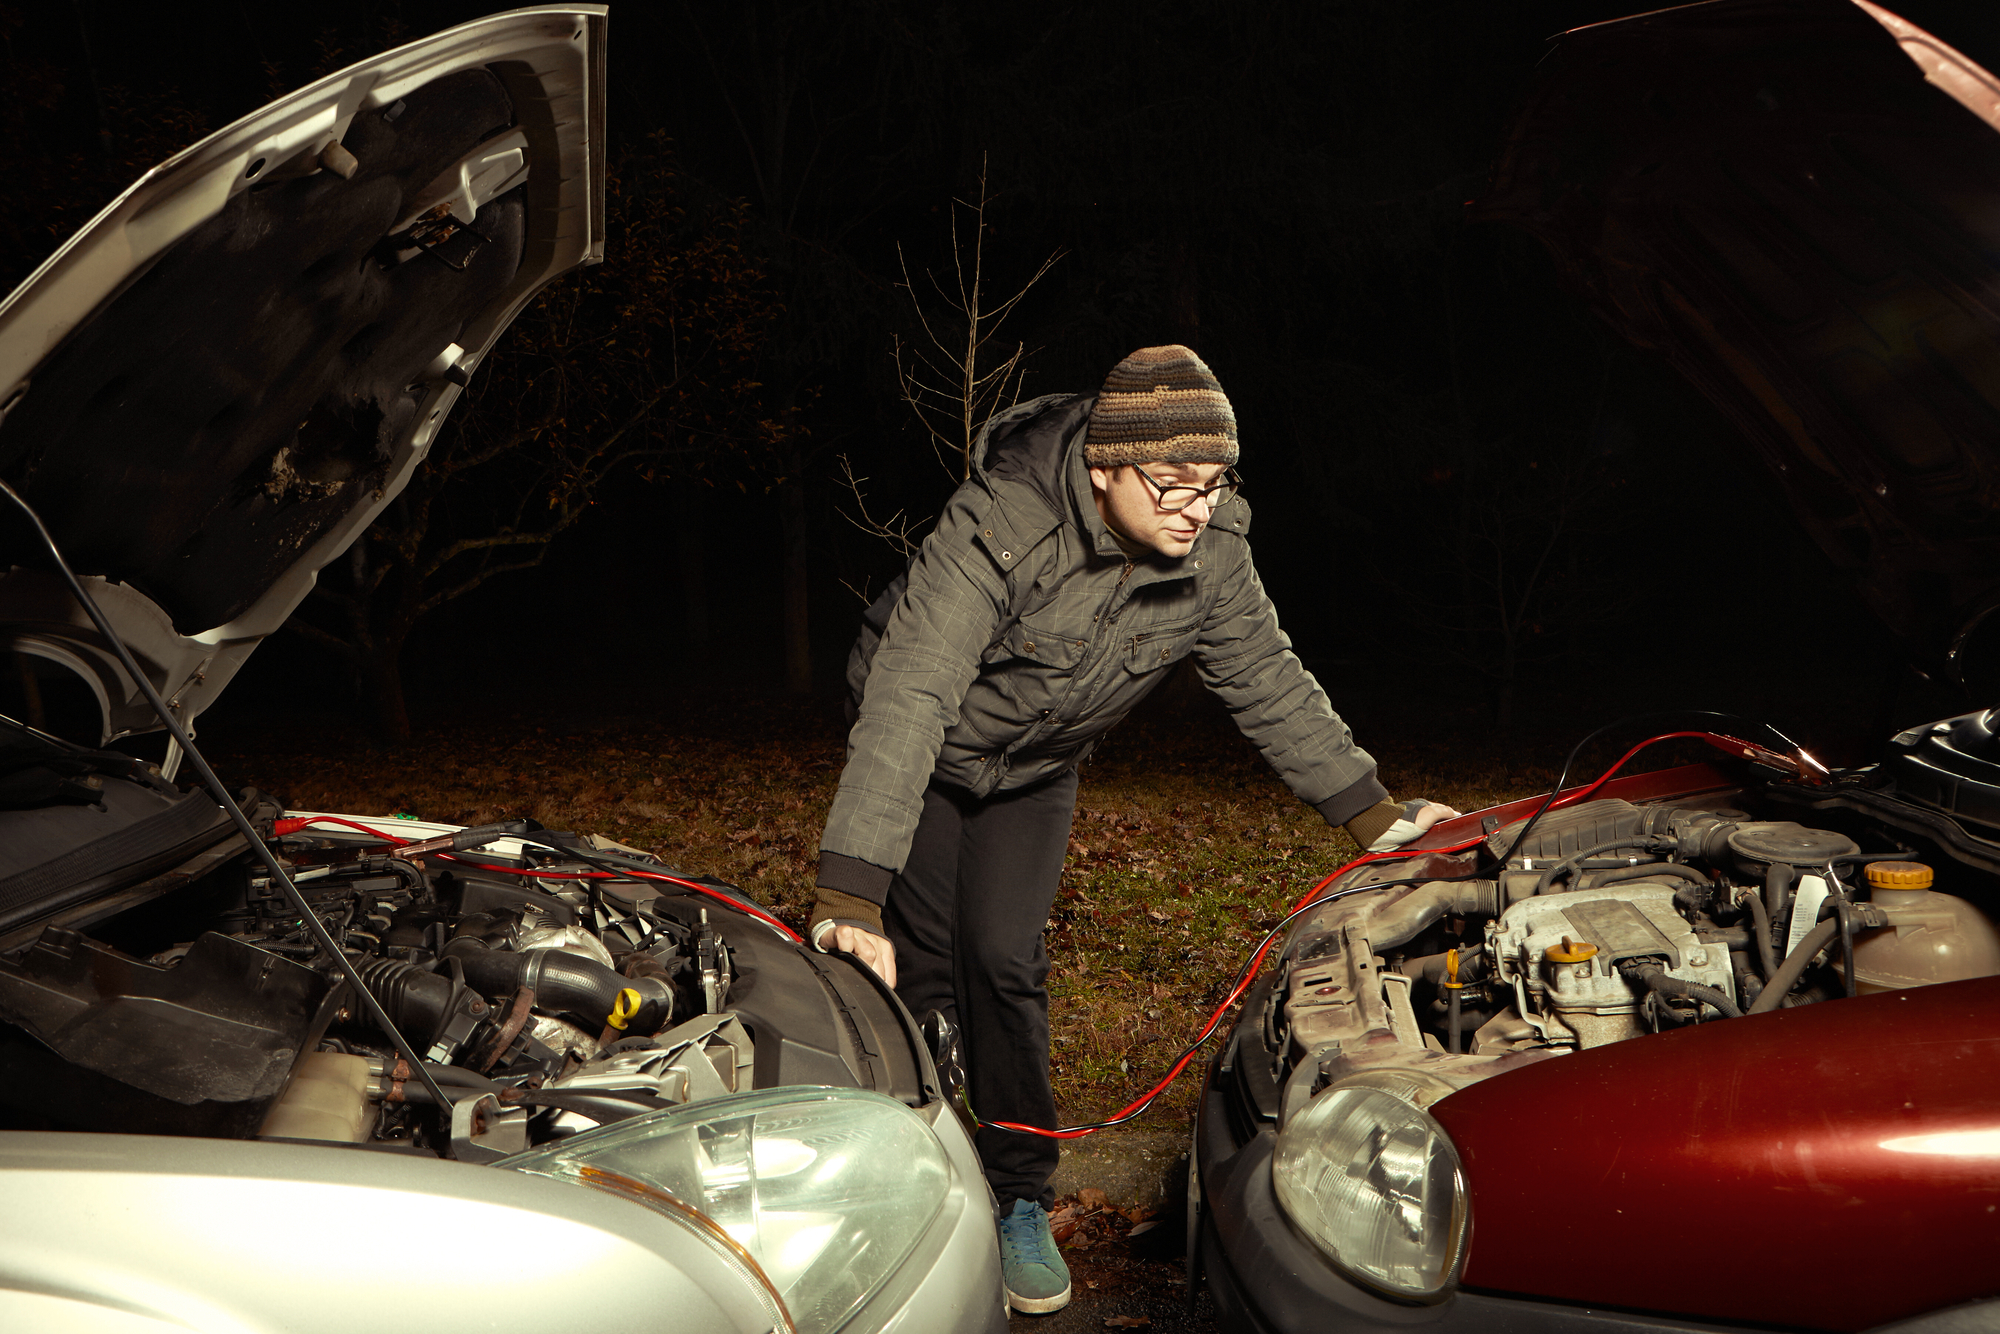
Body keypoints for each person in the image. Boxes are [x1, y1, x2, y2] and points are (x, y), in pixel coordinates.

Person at [808, 345, 1454, 1315]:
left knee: (1003, 958)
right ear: (1104, 468)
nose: (1195, 506)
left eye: (1214, 482)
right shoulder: (1003, 520)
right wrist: (850, 886)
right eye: (1171, 484)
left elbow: (1268, 681)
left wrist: (1374, 814)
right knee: (923, 966)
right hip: (932, 750)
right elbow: (911, 694)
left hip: (1035, 763)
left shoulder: (1212, 554)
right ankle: (923, 1177)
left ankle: (1020, 1195)